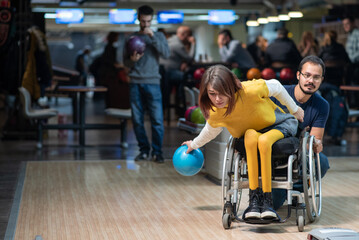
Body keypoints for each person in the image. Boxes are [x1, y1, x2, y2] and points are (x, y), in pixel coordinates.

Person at [182, 64, 304, 220]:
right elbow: (210, 131)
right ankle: (254, 201)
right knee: (250, 136)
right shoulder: (215, 112)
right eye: (212, 94)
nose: (218, 99)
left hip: (280, 125)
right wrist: (193, 144)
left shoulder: (251, 90)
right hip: (252, 133)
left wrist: (294, 109)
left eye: (223, 93)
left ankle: (267, 202)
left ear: (232, 87)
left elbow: (278, 87)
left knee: (264, 140)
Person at [271, 55, 330, 210]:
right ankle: (280, 191)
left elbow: (315, 141)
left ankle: (295, 189)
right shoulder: (279, 93)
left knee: (321, 162)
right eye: (307, 75)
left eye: (316, 77)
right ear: (298, 75)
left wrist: (317, 144)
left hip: (299, 155)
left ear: (321, 80)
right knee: (274, 203)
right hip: (274, 153)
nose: (311, 81)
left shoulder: (322, 106)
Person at [123, 5, 170, 163]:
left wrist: (153, 38)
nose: (145, 24)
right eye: (143, 21)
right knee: (137, 120)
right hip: (135, 82)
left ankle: (157, 152)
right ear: (138, 19)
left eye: (148, 21)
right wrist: (132, 61)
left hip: (153, 82)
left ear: (152, 20)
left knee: (157, 120)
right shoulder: (130, 39)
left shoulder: (159, 36)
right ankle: (144, 151)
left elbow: (166, 54)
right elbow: (125, 63)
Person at [161, 25, 196, 117]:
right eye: (189, 35)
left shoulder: (170, 40)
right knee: (187, 78)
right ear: (183, 35)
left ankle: (178, 103)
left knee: (182, 78)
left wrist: (182, 62)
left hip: (163, 74)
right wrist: (193, 44)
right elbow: (190, 58)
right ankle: (182, 103)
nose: (189, 38)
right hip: (170, 73)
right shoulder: (178, 45)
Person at [342, 16, 359, 108]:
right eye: (344, 24)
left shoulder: (357, 34)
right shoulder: (350, 35)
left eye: (347, 24)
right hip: (351, 65)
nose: (345, 26)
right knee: (351, 90)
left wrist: (350, 59)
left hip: (356, 65)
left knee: (354, 89)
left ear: (353, 23)